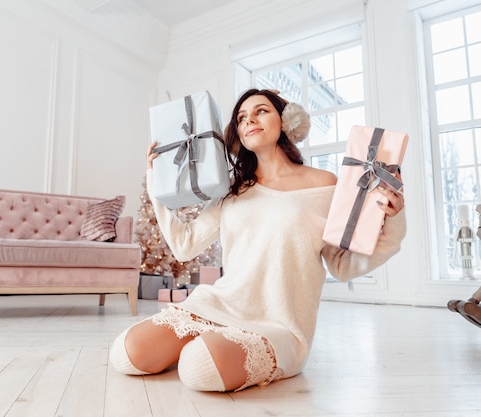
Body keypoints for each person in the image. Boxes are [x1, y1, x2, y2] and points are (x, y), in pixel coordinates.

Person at [109, 88, 406, 392]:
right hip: (218, 303)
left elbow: (342, 266)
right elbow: (184, 245)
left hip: (277, 324)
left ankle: (216, 349)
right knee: (127, 354)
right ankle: (207, 342)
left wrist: (392, 222)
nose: (249, 119)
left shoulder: (325, 185)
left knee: (199, 367)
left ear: (286, 121)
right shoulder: (233, 190)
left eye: (261, 111)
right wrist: (157, 179)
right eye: (241, 117)